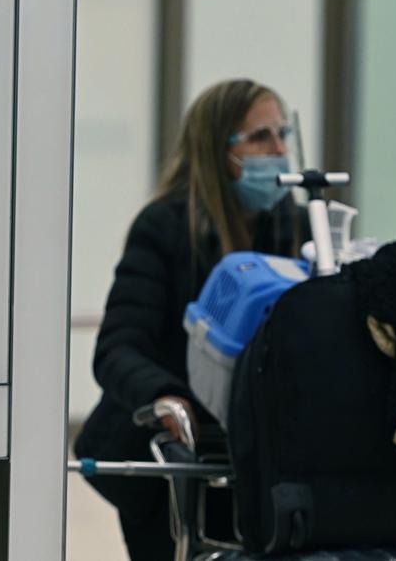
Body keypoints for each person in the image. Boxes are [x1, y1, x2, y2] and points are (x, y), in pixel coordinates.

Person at [73, 78, 304, 561]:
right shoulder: (165, 227)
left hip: (258, 454)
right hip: (169, 460)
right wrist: (165, 397)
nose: (279, 150)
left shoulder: (295, 225)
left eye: (283, 133)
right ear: (216, 147)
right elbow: (116, 347)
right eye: (260, 137)